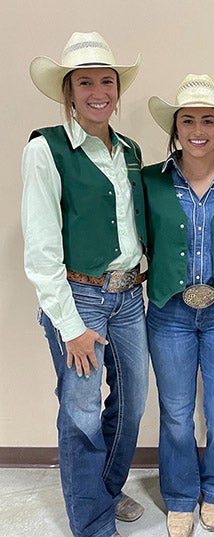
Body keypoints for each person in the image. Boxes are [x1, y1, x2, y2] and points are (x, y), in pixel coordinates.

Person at [21, 32, 149, 537]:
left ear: (118, 90)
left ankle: (106, 490)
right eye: (85, 82)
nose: (98, 91)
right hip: (79, 297)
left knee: (132, 401)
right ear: (69, 91)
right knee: (80, 412)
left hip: (129, 296)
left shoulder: (130, 150)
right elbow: (41, 250)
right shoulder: (45, 149)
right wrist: (68, 324)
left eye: (107, 81)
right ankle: (92, 522)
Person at [142, 74, 214, 537]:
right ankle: (182, 496)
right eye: (187, 119)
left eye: (209, 119)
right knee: (175, 411)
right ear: (175, 127)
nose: (198, 129)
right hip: (169, 312)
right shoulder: (149, 180)